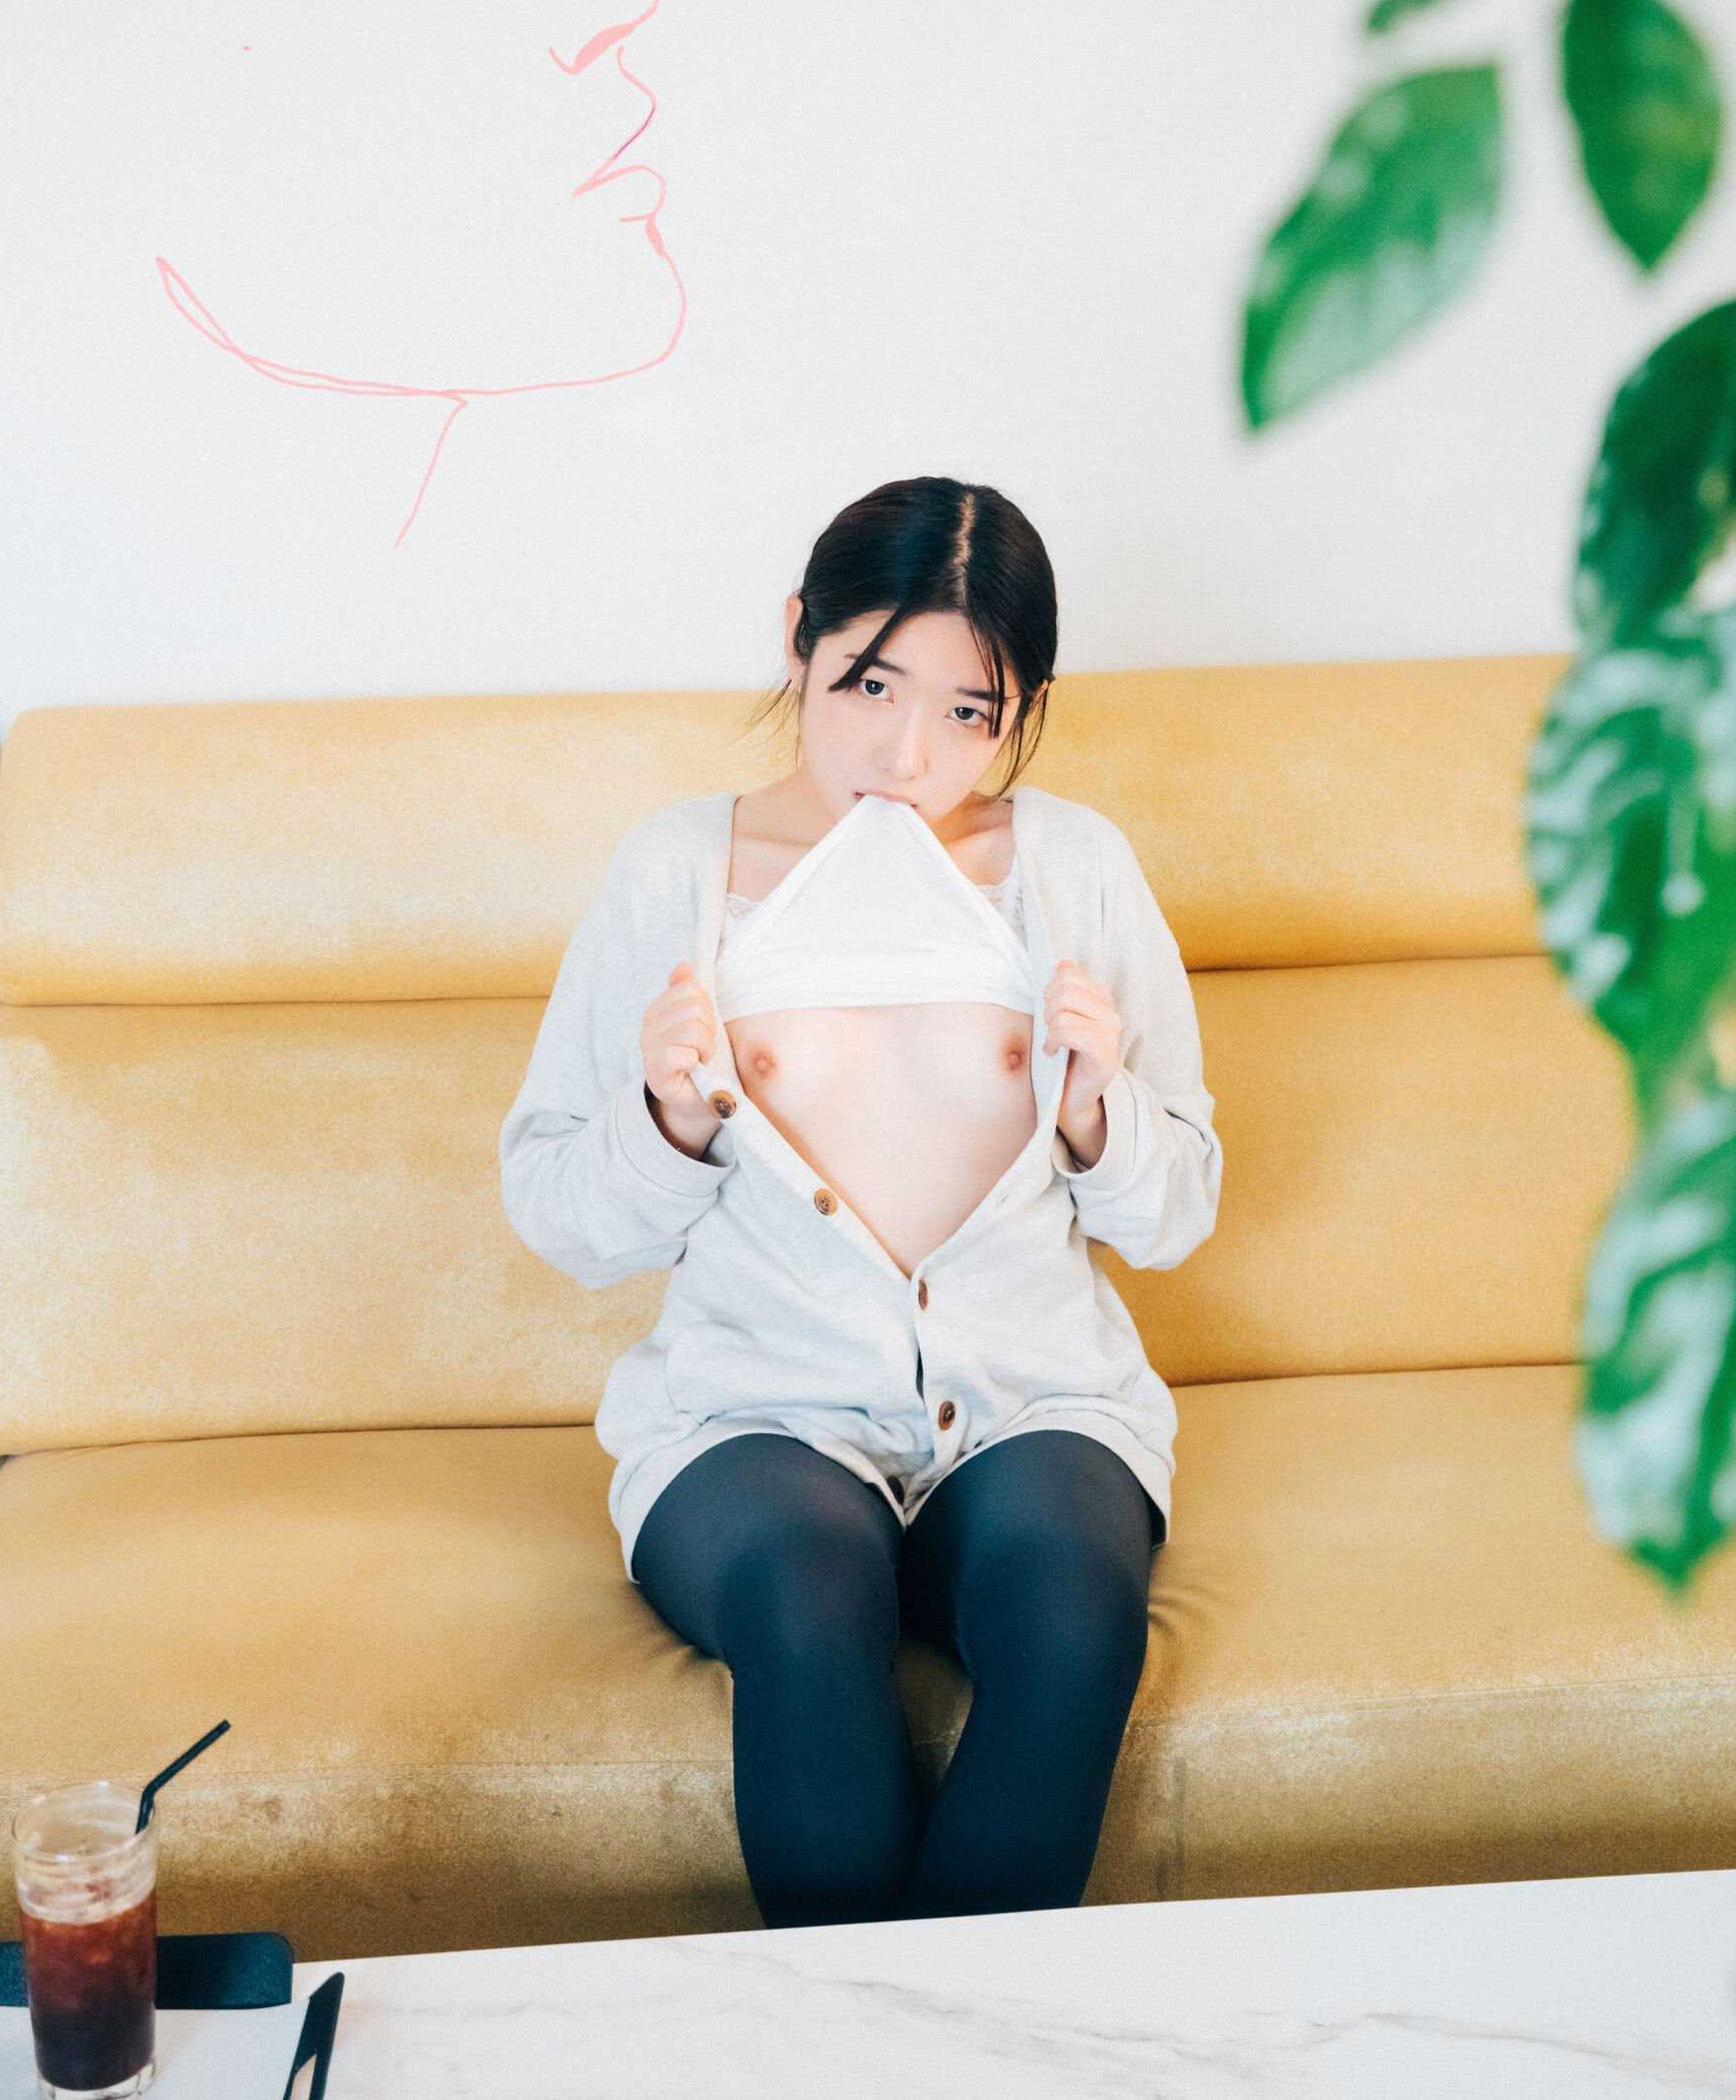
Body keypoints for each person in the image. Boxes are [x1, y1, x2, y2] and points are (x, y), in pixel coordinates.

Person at [500, 474, 1223, 1927]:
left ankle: (925, 2034)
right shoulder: (679, 872)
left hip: (1031, 1403)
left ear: (1024, 713)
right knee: (809, 1595)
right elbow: (557, 1210)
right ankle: (881, 2029)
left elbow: (1178, 1211)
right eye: (870, 686)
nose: (908, 755)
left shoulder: (1073, 869)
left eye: (970, 712)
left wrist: (1096, 1114)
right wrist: (667, 1119)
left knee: (1073, 1614)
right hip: (754, 1415)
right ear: (798, 640)